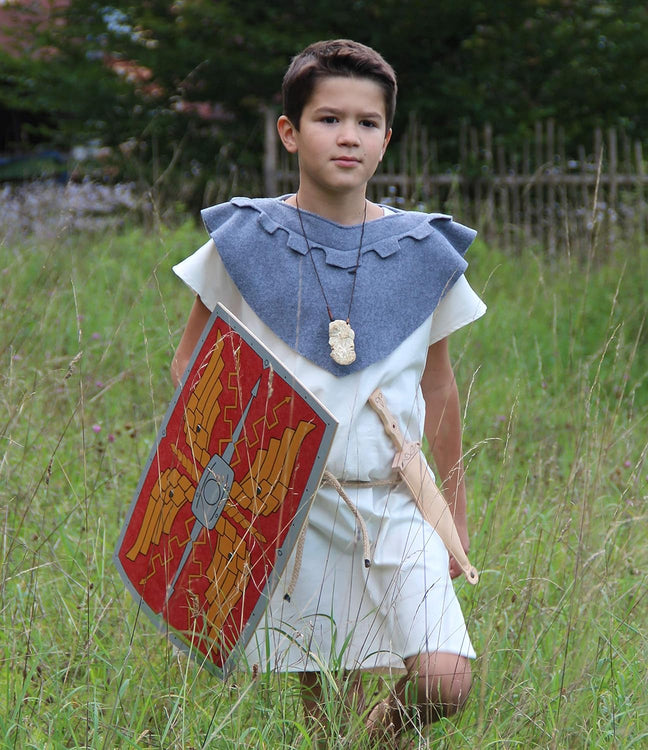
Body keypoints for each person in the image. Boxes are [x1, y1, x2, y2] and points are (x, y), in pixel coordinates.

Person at [170, 39, 486, 747]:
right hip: (292, 505)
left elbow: (439, 387)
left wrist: (454, 514)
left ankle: (381, 737)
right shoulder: (243, 239)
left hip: (398, 500)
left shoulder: (425, 252)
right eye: (328, 118)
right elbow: (193, 361)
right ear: (290, 131)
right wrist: (220, 477)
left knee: (444, 677)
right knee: (328, 710)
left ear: (386, 138)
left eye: (367, 123)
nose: (349, 136)